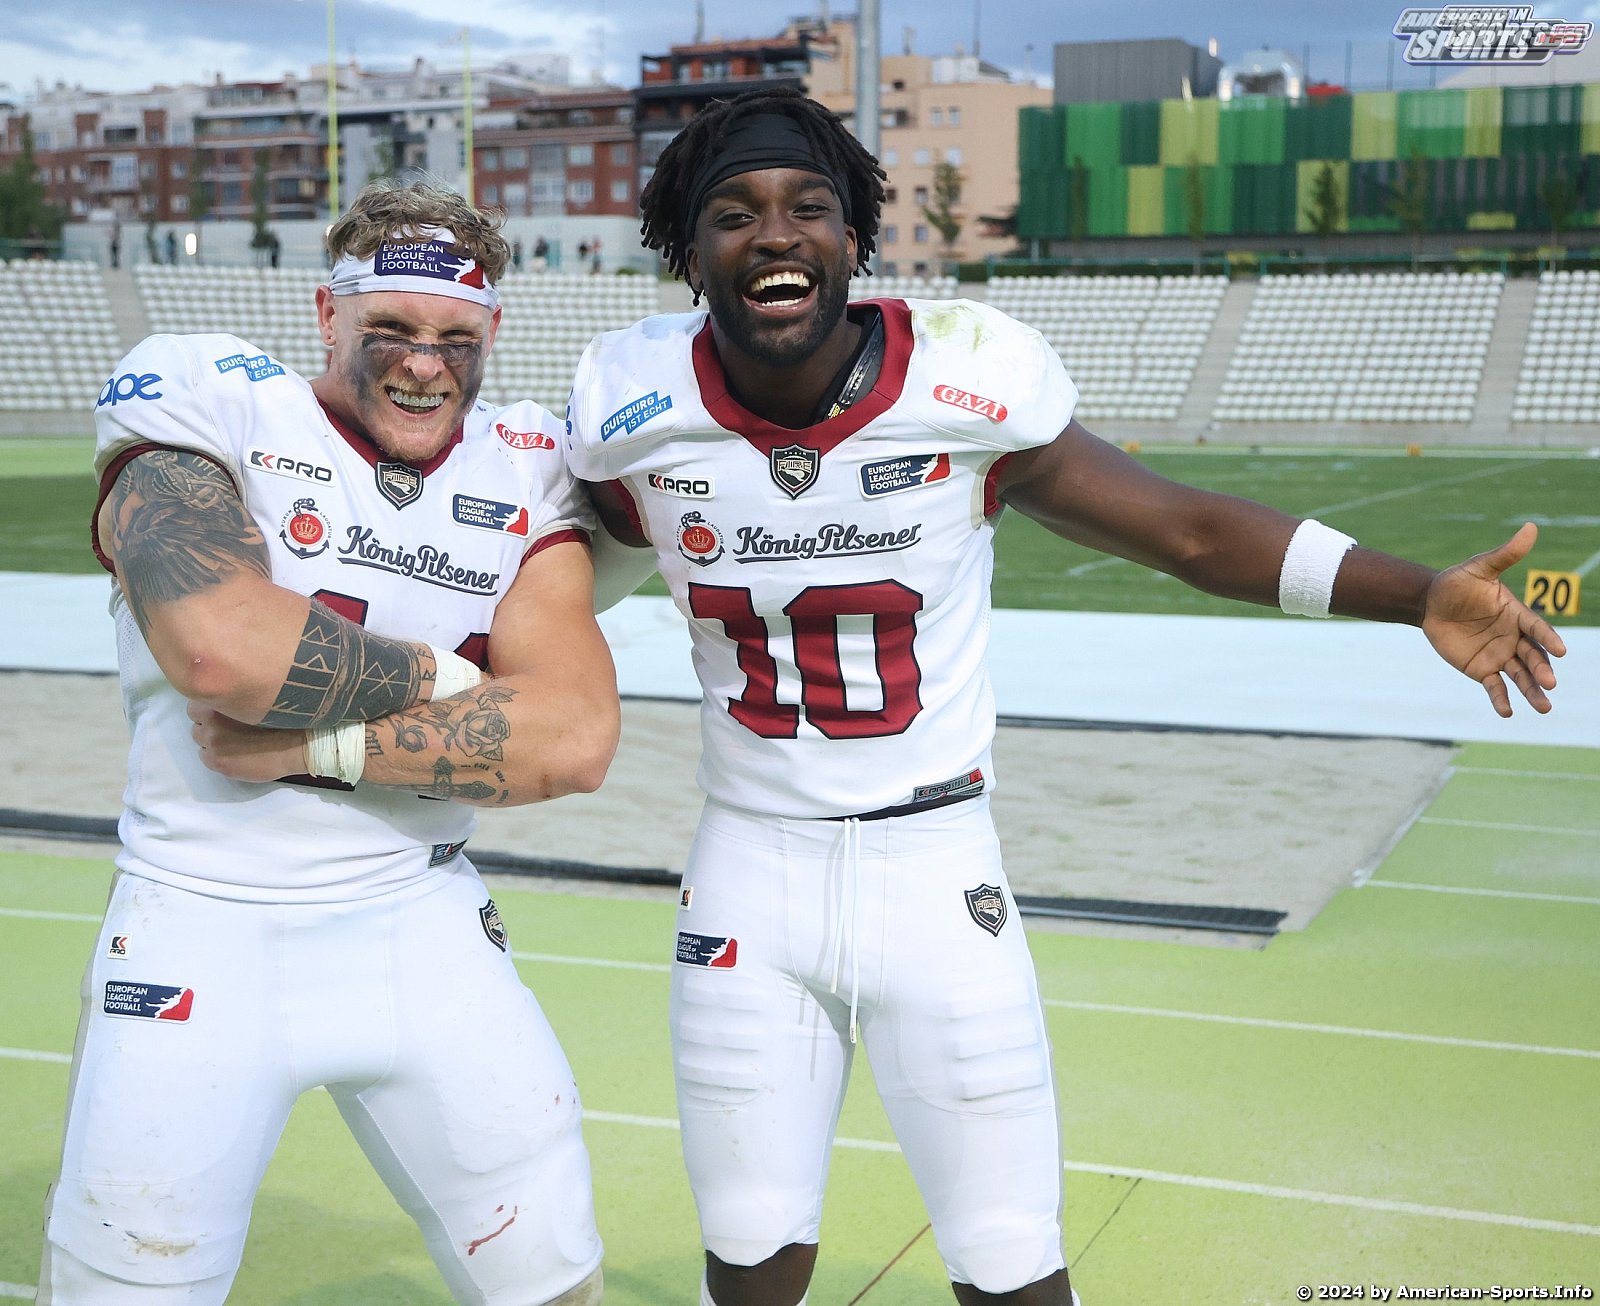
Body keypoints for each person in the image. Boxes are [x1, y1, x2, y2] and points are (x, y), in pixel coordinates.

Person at [564, 88, 1567, 1306]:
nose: (774, 232)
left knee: (1007, 1259)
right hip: (747, 872)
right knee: (749, 1249)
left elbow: (1187, 530)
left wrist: (1413, 594)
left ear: (853, 235)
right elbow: (557, 570)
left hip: (935, 867)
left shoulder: (960, 378)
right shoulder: (635, 412)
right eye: (733, 214)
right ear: (686, 251)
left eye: (806, 206)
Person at [42, 178, 617, 1306]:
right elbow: (221, 650)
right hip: (200, 925)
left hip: (423, 917)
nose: (424, 365)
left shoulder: (522, 461)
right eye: (390, 328)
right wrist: (456, 677)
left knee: (551, 1273)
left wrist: (311, 747)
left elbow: (574, 737)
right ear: (326, 314)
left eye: (457, 338)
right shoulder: (215, 399)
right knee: (129, 1282)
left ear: (493, 331)